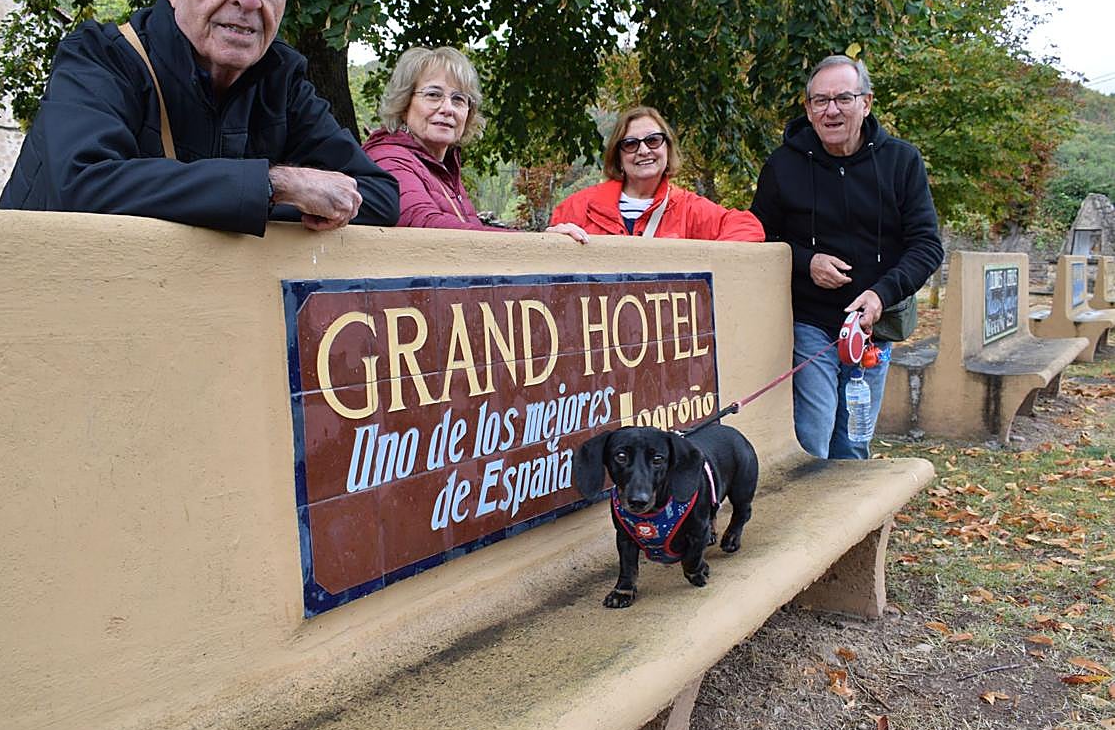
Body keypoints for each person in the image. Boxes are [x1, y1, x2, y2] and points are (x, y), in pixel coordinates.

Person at [0, 0, 398, 236]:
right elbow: (81, 185)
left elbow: (377, 196)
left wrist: (244, 207)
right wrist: (274, 188)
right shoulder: (100, 57)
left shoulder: (283, 80)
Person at [750, 54, 944, 459]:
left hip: (872, 327)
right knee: (812, 437)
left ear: (866, 102)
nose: (831, 110)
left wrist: (880, 295)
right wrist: (807, 262)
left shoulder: (902, 161)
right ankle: (807, 521)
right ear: (808, 108)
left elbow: (927, 245)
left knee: (854, 443)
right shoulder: (783, 165)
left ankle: (855, 522)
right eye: (820, 101)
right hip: (810, 324)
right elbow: (758, 236)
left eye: (843, 98)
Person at [546, 106, 764, 243]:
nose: (643, 150)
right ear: (618, 155)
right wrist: (553, 242)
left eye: (652, 140)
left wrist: (706, 260)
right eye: (631, 144)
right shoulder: (579, 207)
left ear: (667, 148)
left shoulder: (688, 208)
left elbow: (748, 226)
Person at [362, 47, 507, 232]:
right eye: (433, 95)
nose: (448, 108)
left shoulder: (443, 169)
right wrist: (536, 242)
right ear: (404, 105)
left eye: (458, 99)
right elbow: (426, 225)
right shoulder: (388, 159)